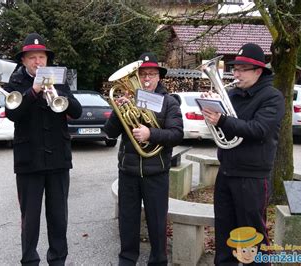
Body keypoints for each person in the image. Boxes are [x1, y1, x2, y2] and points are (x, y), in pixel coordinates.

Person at [200, 43, 285, 265]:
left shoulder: (272, 97)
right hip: (227, 172)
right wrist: (210, 111)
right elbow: (223, 129)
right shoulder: (232, 94)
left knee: (252, 236)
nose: (235, 74)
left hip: (252, 177)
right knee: (224, 233)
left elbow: (259, 131)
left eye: (242, 69)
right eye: (234, 68)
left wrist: (222, 119)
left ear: (258, 71)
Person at [4, 33, 82, 265]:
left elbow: (76, 112)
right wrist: (34, 91)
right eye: (32, 58)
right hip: (29, 160)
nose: (38, 62)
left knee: (59, 216)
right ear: (24, 61)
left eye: (42, 57)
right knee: (30, 219)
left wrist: (61, 95)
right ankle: (29, 260)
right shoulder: (15, 83)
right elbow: (13, 114)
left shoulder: (59, 80)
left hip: (58, 158)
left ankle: (58, 260)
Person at [104, 52, 183, 265]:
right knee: (127, 221)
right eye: (143, 74)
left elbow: (176, 135)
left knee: (157, 223)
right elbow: (109, 133)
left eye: (151, 74)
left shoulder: (169, 103)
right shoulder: (127, 100)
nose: (147, 78)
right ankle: (127, 260)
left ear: (159, 77)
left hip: (156, 172)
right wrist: (117, 111)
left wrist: (151, 134)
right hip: (128, 172)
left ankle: (158, 261)